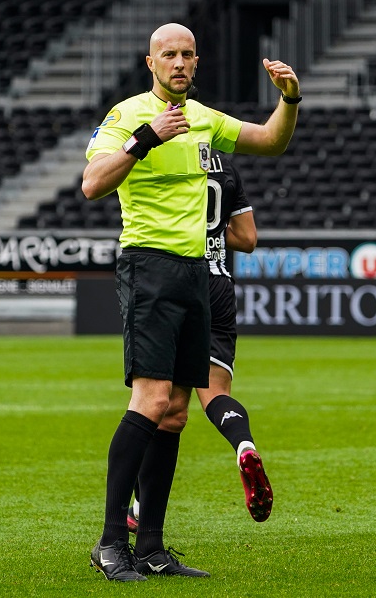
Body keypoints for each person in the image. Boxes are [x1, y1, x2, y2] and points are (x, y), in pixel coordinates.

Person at [81, 22, 300, 582]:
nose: (179, 62)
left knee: (176, 414)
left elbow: (270, 141)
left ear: (197, 62)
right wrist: (145, 138)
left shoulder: (204, 118)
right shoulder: (127, 115)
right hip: (149, 266)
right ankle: (111, 543)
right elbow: (91, 183)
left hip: (197, 274)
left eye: (187, 54)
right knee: (150, 401)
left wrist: (290, 99)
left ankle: (151, 547)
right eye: (168, 54)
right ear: (149, 62)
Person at [127, 151, 273, 532]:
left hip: (177, 278)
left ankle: (136, 510)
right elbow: (248, 238)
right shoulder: (226, 166)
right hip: (219, 283)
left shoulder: (168, 156)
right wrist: (215, 231)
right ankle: (243, 444)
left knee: (159, 405)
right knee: (208, 394)